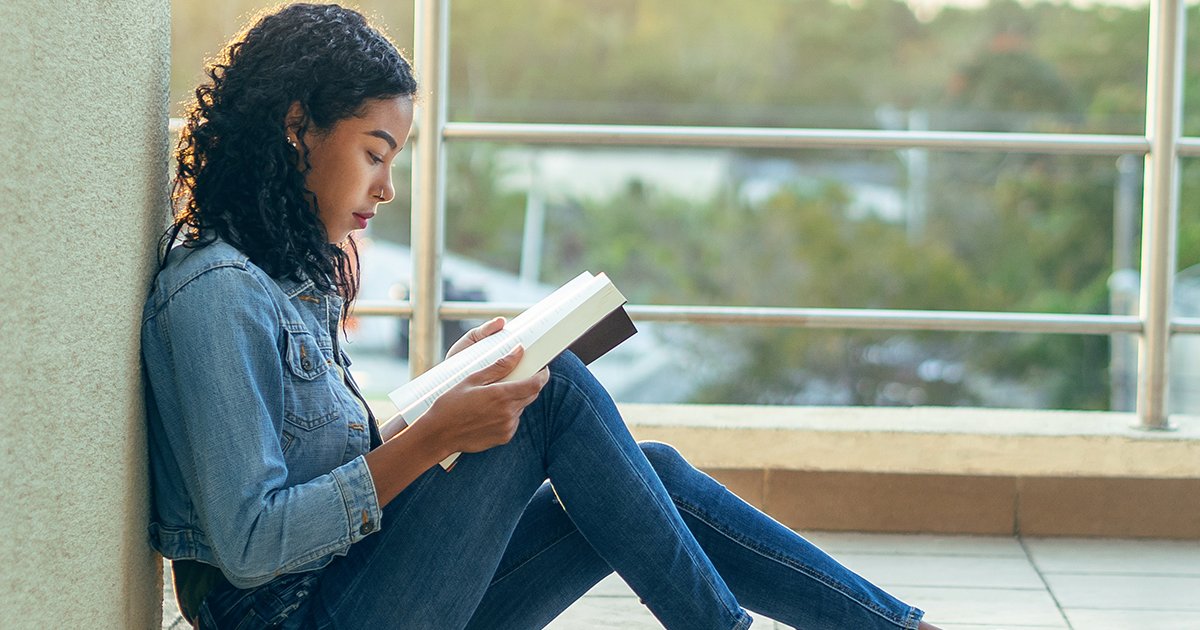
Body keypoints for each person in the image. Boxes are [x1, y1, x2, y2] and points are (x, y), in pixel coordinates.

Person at [142, 4, 944, 629]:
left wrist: (452, 389)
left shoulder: (284, 276)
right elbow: (251, 545)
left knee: (647, 470)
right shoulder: (217, 293)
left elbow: (326, 462)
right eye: (376, 153)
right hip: (304, 615)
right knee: (553, 389)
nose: (387, 189)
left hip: (363, 587)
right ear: (296, 129)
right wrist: (437, 436)